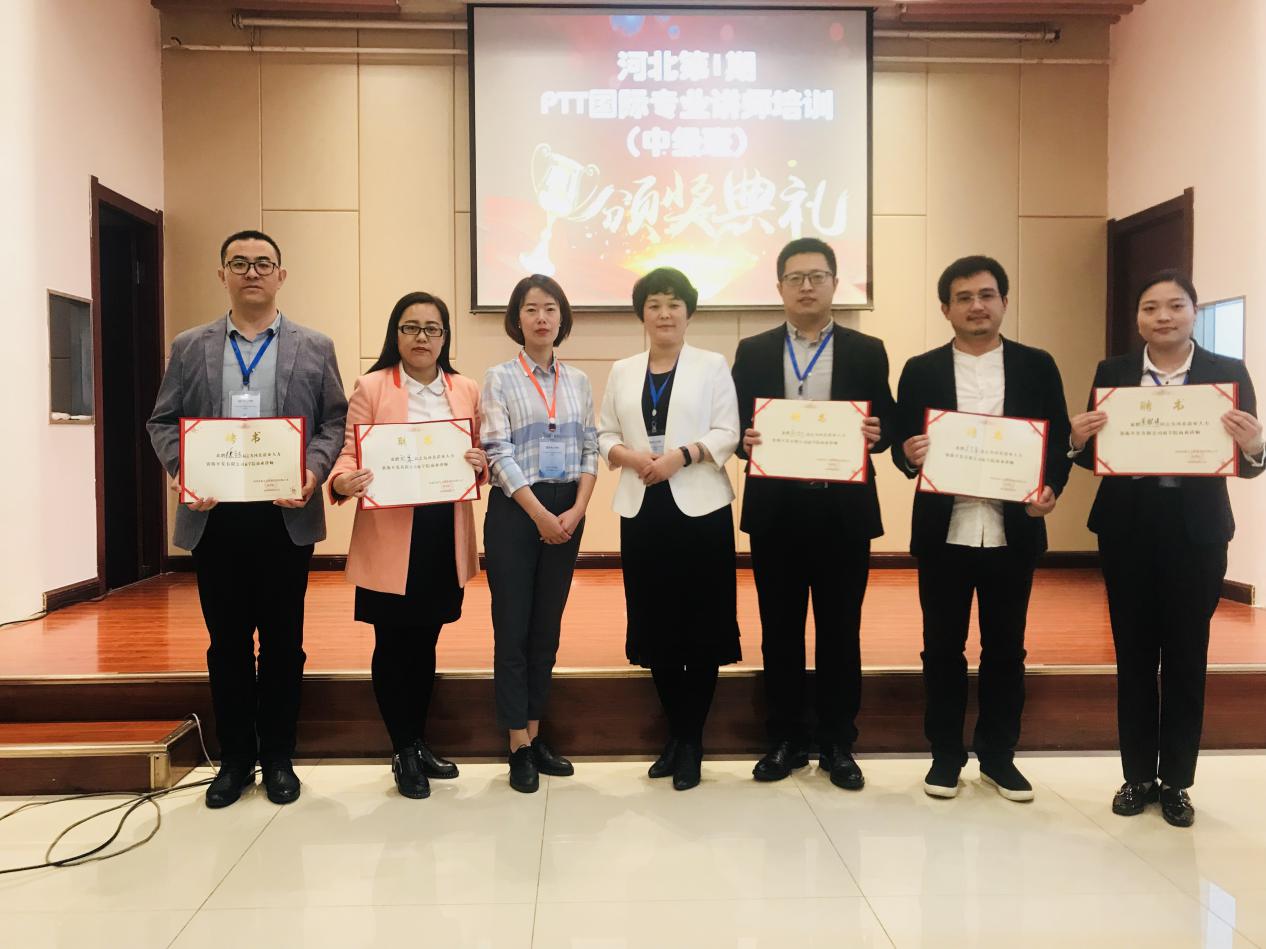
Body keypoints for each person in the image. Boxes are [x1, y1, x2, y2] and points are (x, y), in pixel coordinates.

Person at [147, 230, 347, 808]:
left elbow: (333, 421)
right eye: (240, 263)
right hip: (216, 518)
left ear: (281, 275)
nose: (252, 272)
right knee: (227, 644)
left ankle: (279, 756)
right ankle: (235, 759)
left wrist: (312, 471)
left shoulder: (315, 346)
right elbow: (163, 421)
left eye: (263, 263)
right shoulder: (190, 345)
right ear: (223, 275)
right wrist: (185, 470)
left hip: (286, 516)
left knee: (284, 643)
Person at [1070, 270, 1263, 827]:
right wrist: (1077, 440)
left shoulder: (1226, 373)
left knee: (1186, 657)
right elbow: (1095, 456)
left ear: (1193, 312)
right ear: (1137, 319)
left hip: (1196, 534)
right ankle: (1136, 776)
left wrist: (1256, 444)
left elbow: (1249, 462)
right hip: (1127, 531)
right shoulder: (1113, 372)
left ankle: (1176, 781)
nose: (1163, 317)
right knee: (1132, 656)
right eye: (1150, 307)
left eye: (1175, 306)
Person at [892, 255, 1072, 802]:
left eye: (987, 295)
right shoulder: (921, 369)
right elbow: (902, 443)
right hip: (944, 532)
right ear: (945, 308)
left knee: (1006, 649)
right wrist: (908, 453)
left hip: (1012, 531)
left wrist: (1050, 489)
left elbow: (1057, 440)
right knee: (941, 648)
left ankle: (999, 757)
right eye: (964, 297)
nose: (977, 306)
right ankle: (945, 756)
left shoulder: (1037, 365)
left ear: (1004, 302)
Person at [732, 237, 895, 790]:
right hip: (776, 511)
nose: (807, 287)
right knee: (779, 630)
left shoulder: (867, 350)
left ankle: (837, 743)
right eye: (796, 278)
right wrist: (745, 440)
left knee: (840, 631)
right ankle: (785, 739)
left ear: (834, 284)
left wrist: (878, 432)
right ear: (779, 287)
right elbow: (738, 427)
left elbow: (886, 423)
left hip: (842, 512)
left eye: (817, 276)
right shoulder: (753, 351)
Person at [328, 292, 488, 800]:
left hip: (442, 530)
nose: (422, 337)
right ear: (395, 334)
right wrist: (342, 481)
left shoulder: (465, 388)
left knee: (426, 642)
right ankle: (401, 749)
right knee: (393, 643)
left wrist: (479, 462)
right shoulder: (372, 386)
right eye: (411, 327)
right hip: (390, 533)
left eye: (432, 328)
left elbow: (477, 450)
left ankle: (418, 742)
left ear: (445, 337)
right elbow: (348, 451)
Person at [597, 268, 742, 791]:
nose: (664, 313)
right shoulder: (622, 370)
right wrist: (629, 456)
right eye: (654, 304)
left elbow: (727, 431)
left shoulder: (711, 365)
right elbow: (604, 433)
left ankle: (691, 741)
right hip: (643, 507)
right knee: (655, 625)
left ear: (689, 312)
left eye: (674, 304)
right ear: (642, 314)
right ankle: (676, 737)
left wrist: (681, 455)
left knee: (700, 625)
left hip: (700, 508)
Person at [481, 274, 599, 793]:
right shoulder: (499, 378)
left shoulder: (578, 381)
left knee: (546, 629)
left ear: (562, 317)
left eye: (550, 308)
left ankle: (534, 732)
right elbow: (496, 451)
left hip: (568, 509)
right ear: (517, 319)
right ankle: (517, 745)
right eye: (531, 309)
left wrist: (577, 509)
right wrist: (539, 514)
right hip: (516, 509)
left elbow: (591, 448)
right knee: (512, 628)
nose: (542, 318)